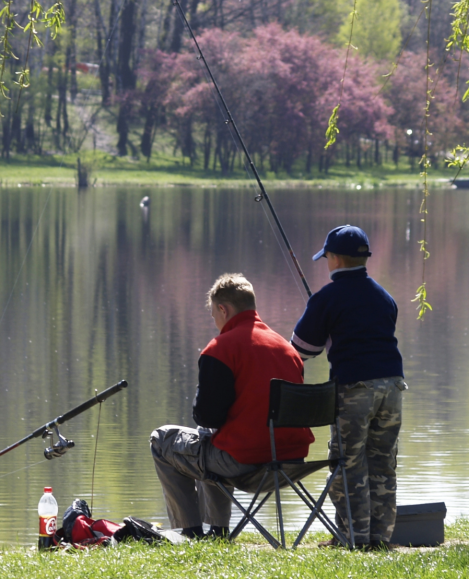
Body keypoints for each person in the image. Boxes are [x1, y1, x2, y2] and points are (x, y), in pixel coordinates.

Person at [150, 273, 312, 539]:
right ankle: (216, 530)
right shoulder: (288, 349)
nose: (215, 321)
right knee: (209, 441)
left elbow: (206, 415)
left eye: (214, 313)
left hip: (245, 464)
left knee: (163, 439)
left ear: (223, 309)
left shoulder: (221, 349)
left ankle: (188, 531)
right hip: (292, 461)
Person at [290, 225, 407, 550]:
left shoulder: (327, 297)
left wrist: (320, 320)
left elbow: (301, 350)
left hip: (355, 388)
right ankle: (379, 539)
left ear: (335, 259)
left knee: (347, 463)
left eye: (326, 257)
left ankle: (352, 538)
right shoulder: (385, 297)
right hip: (394, 386)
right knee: (382, 462)